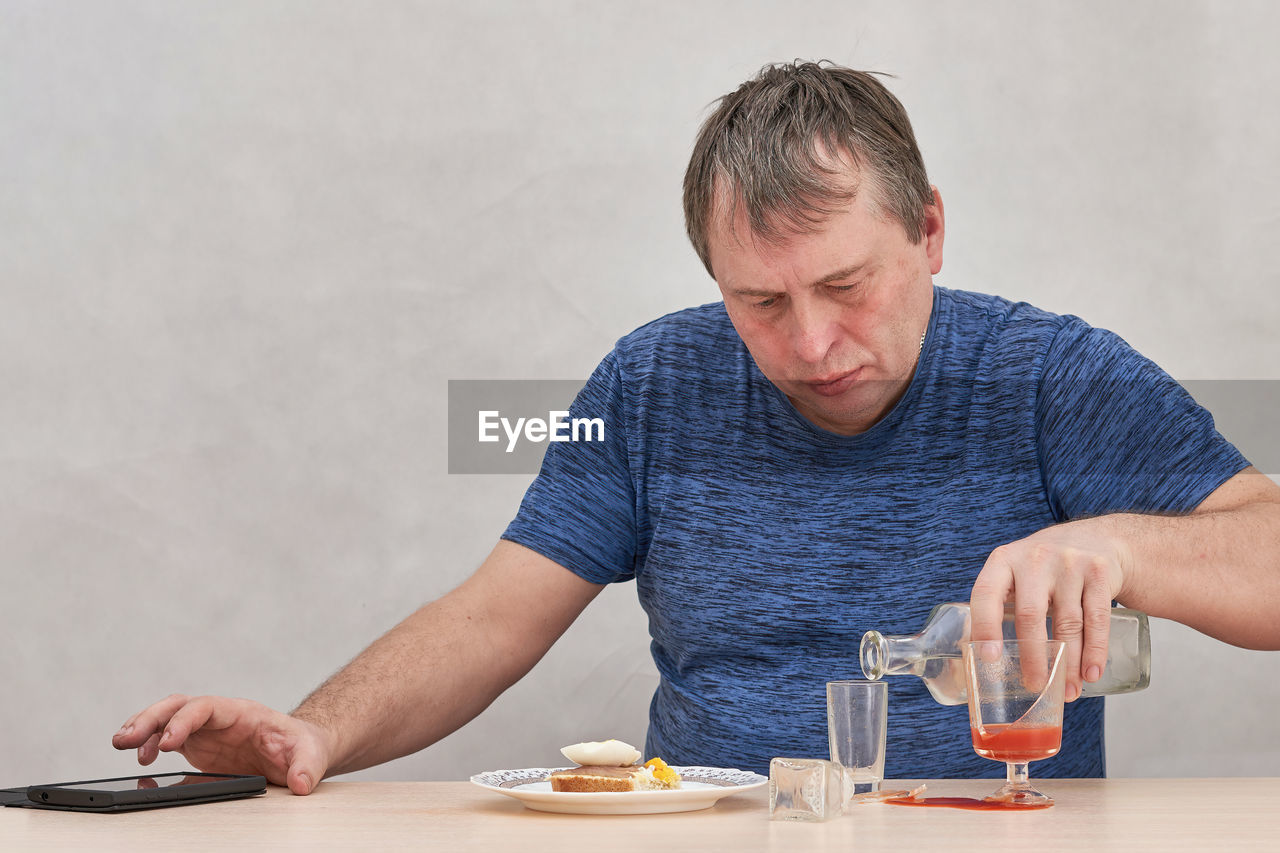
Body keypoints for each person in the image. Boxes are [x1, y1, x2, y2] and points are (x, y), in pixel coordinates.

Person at [112, 61, 1280, 792]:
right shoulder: (648, 379)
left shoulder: (1051, 372)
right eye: (759, 302)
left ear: (927, 230)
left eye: (847, 285)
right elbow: (489, 613)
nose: (811, 344)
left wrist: (1124, 549)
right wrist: (311, 733)